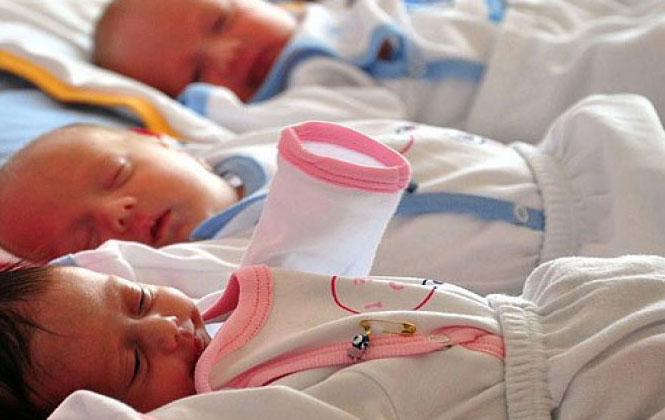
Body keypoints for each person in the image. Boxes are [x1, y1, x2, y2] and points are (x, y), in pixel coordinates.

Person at [3, 94, 665, 296]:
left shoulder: (258, 137)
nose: (115, 213)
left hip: (583, 167)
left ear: (166, 143)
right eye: (84, 232)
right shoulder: (231, 271)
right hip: (579, 272)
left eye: (116, 176)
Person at [6, 252, 665, 419]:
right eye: (133, 364)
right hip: (565, 401)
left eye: (140, 300)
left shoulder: (224, 304)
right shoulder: (224, 407)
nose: (163, 328)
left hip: (560, 304)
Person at [92, 0, 665, 143]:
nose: (229, 53)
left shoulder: (342, 12)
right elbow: (367, 127)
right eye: (198, 70)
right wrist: (209, 111)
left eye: (223, 21)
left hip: (545, 27)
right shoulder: (308, 94)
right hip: (529, 95)